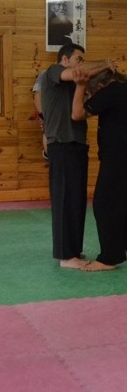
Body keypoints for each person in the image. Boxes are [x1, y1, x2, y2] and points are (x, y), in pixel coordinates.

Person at [41, 43, 116, 269]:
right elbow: (77, 73)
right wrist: (105, 63)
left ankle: (73, 250)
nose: (81, 64)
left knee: (76, 201)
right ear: (65, 59)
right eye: (78, 59)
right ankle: (66, 256)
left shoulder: (76, 85)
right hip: (61, 144)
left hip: (77, 145)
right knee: (65, 200)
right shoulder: (53, 71)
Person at [71, 69, 127, 271]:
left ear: (100, 87)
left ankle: (109, 257)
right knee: (121, 203)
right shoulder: (123, 89)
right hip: (120, 155)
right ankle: (122, 248)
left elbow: (77, 114)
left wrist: (80, 86)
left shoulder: (111, 91)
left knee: (104, 204)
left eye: (91, 93)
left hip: (118, 156)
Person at [31, 69, 48, 159]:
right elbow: (37, 95)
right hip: (48, 113)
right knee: (48, 132)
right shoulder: (45, 74)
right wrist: (42, 115)